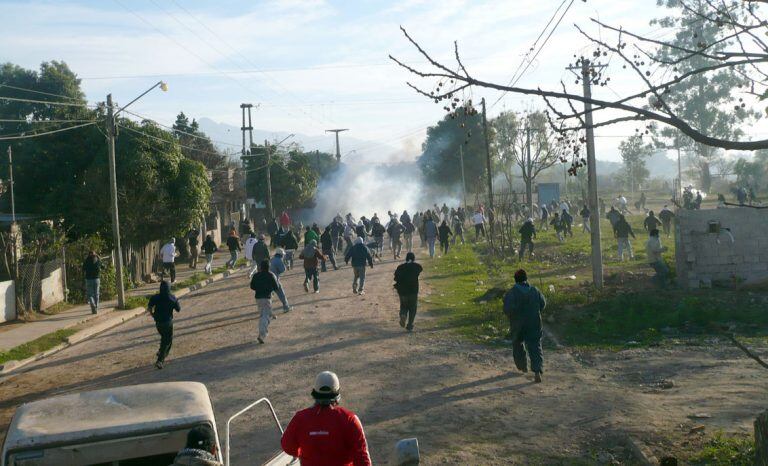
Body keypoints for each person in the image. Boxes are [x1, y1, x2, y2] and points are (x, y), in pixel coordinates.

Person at [281, 371, 371, 466]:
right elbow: (362, 457)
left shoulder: (300, 418)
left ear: (314, 393)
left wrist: (303, 453)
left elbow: (287, 446)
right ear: (337, 394)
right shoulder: (349, 419)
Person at [503, 269, 546, 383]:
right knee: (535, 346)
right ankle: (537, 371)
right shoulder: (535, 291)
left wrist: (513, 317)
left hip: (518, 325)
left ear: (515, 280)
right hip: (534, 322)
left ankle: (523, 367)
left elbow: (507, 309)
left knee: (517, 344)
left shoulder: (511, 293)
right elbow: (543, 304)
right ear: (526, 279)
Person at [147, 280, 180, 369]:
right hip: (167, 323)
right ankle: (160, 360)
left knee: (164, 337)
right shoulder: (172, 298)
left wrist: (153, 315)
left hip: (158, 323)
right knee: (167, 341)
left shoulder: (155, 297)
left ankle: (161, 351)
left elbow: (149, 307)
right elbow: (178, 309)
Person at [249, 260, 280, 344]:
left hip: (258, 298)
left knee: (264, 314)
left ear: (261, 267)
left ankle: (262, 334)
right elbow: (276, 287)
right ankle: (262, 335)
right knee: (265, 316)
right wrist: (270, 288)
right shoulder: (271, 275)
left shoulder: (256, 275)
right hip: (267, 297)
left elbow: (252, 286)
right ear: (268, 267)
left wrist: (259, 288)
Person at [394, 252, 423, 332]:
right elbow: (420, 269)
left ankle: (403, 315)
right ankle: (410, 324)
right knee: (413, 308)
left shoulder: (400, 267)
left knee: (403, 306)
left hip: (402, 292)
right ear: (413, 258)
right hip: (413, 291)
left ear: (406, 258)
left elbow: (395, 278)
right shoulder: (417, 267)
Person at [269, 248, 293, 313]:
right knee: (281, 294)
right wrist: (285, 265)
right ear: (281, 254)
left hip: (268, 280)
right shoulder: (279, 260)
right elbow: (282, 270)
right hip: (275, 280)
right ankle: (286, 307)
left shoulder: (272, 259)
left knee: (269, 296)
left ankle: (267, 310)